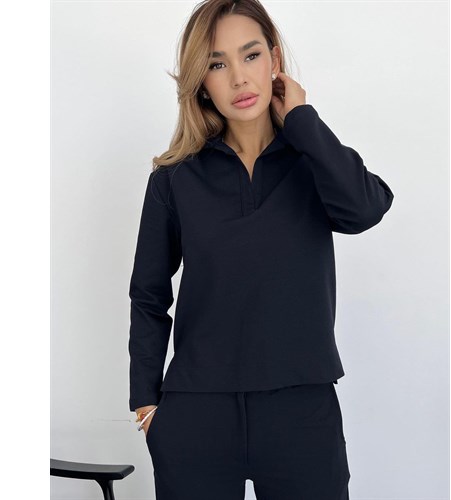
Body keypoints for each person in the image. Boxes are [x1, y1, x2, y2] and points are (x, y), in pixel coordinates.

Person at [128, 0, 394, 498]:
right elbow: (148, 294)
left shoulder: (314, 160)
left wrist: (303, 120)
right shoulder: (174, 179)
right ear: (200, 82)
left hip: (302, 410)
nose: (239, 78)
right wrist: (146, 403)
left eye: (250, 56)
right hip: (197, 414)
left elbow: (365, 210)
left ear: (275, 60)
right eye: (217, 64)